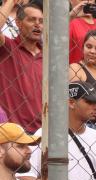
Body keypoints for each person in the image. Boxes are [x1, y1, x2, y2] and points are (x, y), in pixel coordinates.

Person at [0, 0, 42, 132]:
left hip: (43, 133)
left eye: (41, 21)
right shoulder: (7, 47)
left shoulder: (48, 57)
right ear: (18, 22)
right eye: (31, 20)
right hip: (13, 132)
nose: (37, 24)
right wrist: (11, 2)